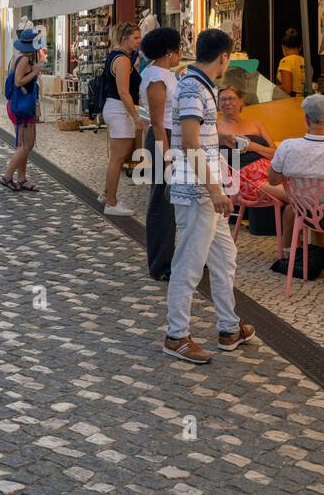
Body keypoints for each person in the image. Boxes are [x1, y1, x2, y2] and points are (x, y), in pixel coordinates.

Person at [164, 28, 256, 364]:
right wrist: (215, 190)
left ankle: (229, 327)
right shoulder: (192, 87)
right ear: (223, 57)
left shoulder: (200, 86)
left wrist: (222, 142)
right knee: (189, 264)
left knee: (224, 259)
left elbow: (199, 137)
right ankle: (176, 336)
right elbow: (189, 142)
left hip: (206, 191)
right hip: (197, 192)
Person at [138, 25, 181, 281]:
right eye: (177, 49)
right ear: (169, 51)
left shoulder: (164, 73)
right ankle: (160, 263)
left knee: (169, 202)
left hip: (168, 137)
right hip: (162, 138)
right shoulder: (156, 76)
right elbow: (157, 120)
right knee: (162, 203)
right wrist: (167, 155)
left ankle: (170, 257)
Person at [266, 92, 324, 252]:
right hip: (318, 211)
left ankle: (292, 251)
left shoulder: (288, 147)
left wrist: (295, 170)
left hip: (306, 213)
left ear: (306, 119)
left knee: (311, 201)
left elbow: (272, 180)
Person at [99, 22, 143, 217]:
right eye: (135, 38)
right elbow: (124, 92)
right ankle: (111, 202)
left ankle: (107, 193)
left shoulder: (116, 56)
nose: (138, 42)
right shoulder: (123, 60)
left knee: (117, 156)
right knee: (118, 158)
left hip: (114, 108)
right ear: (125, 38)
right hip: (119, 110)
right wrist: (135, 117)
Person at [1, 27, 45, 192]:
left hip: (17, 105)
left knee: (22, 145)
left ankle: (21, 179)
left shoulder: (17, 56)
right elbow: (19, 81)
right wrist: (34, 73)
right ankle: (7, 176)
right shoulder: (25, 60)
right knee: (27, 145)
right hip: (22, 107)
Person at [217, 86, 276, 166]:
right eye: (223, 99)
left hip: (269, 170)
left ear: (241, 102)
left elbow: (276, 154)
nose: (227, 103)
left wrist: (253, 146)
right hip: (240, 174)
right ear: (218, 104)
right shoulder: (215, 128)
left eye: (231, 98)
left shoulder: (255, 123)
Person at [277, 28, 306, 97]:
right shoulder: (305, 61)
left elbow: (287, 89)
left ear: (283, 47)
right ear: (300, 47)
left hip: (291, 102)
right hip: (304, 99)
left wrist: (272, 88)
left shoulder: (285, 61)